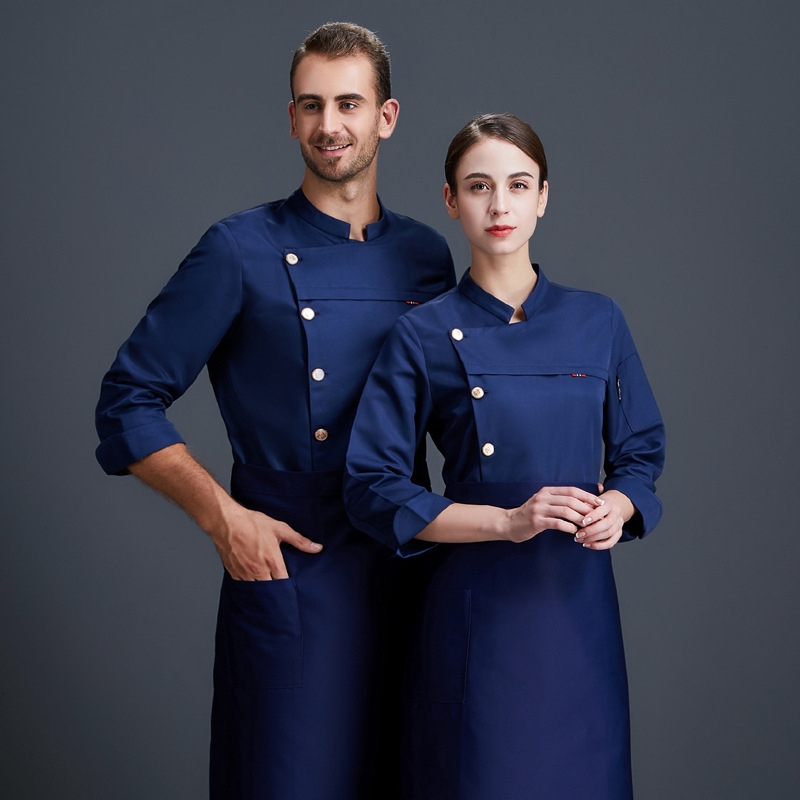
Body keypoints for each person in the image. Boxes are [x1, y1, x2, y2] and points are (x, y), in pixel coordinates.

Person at [95, 22, 455, 800]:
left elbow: (460, 409)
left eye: (349, 103)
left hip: (408, 564)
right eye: (312, 105)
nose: (331, 124)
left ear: (387, 117)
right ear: (291, 118)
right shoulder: (238, 248)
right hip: (297, 566)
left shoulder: (428, 256)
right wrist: (225, 518)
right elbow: (126, 400)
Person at [344, 113, 665, 799]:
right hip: (477, 613)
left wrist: (617, 505)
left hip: (577, 613)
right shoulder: (421, 333)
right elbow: (372, 484)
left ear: (543, 196)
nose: (499, 205)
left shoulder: (598, 319)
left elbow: (640, 452)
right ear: (451, 200)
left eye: (518, 185)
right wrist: (507, 521)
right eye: (479, 186)